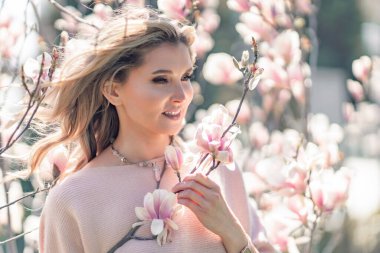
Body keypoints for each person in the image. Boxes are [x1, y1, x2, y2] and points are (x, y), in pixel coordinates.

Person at [29, 5, 273, 253]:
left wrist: (231, 231)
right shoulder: (73, 199)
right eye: (161, 79)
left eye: (186, 76)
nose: (181, 95)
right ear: (114, 90)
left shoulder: (218, 171)